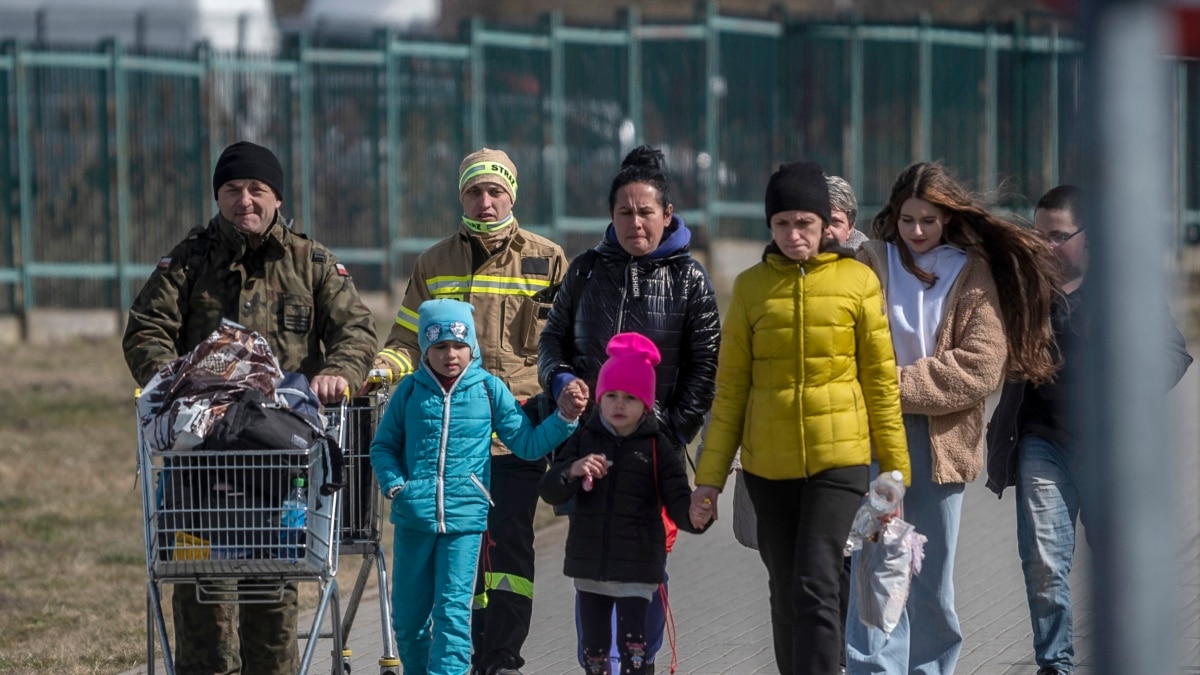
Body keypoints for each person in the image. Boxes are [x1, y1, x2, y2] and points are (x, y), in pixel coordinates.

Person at [122, 140, 378, 674]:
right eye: (233, 189)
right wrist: (176, 386)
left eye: (257, 190)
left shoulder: (311, 263)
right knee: (200, 596)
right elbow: (146, 329)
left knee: (272, 597)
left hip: (277, 460)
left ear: (277, 198)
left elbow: (355, 328)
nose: (245, 200)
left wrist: (340, 374)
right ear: (219, 195)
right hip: (202, 459)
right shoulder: (190, 259)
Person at [689, 160, 911, 675]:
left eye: (805, 223)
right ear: (770, 226)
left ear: (825, 225)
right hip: (769, 469)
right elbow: (731, 394)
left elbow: (880, 382)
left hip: (840, 462)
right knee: (786, 591)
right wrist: (709, 481)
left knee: (816, 582)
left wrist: (895, 473)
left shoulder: (858, 283)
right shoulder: (750, 288)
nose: (794, 234)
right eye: (783, 223)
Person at [845, 161, 1061, 675]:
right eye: (907, 219)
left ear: (947, 218)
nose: (916, 231)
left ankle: (931, 668)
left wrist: (893, 384)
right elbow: (849, 347)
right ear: (892, 216)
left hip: (943, 444)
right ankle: (874, 669)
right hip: (875, 435)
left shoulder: (971, 269)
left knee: (929, 577)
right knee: (876, 567)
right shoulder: (871, 260)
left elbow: (981, 367)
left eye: (928, 220)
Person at [370, 148, 568, 675]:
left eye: (495, 191)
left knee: (508, 554)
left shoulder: (548, 259)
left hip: (513, 432)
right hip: (447, 445)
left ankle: (501, 658)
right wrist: (385, 369)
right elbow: (406, 336)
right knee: (461, 565)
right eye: (474, 191)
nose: (485, 202)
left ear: (512, 195)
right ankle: (463, 656)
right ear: (461, 196)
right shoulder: (432, 263)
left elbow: (566, 346)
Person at [984, 185, 1191, 675]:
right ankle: (1055, 664)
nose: (1045, 247)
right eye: (1038, 237)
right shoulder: (1024, 289)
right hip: (1041, 442)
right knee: (1044, 564)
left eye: (1057, 237)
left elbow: (1174, 353)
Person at [539, 145, 722, 673]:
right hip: (590, 445)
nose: (636, 222)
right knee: (594, 570)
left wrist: (668, 430)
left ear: (667, 216)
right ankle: (599, 661)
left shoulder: (690, 279)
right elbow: (552, 341)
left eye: (646, 212)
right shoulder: (587, 270)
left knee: (644, 568)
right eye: (625, 212)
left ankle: (640, 661)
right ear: (611, 215)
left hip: (651, 455)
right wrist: (563, 381)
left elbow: (704, 366)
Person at [369, 298, 588, 675]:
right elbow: (384, 446)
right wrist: (395, 485)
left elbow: (528, 443)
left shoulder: (489, 390)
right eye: (439, 346)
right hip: (413, 520)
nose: (450, 355)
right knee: (408, 621)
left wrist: (565, 418)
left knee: (453, 615)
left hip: (465, 523)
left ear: (471, 345)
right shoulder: (408, 392)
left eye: (458, 345)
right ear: (426, 348)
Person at [540, 332, 711, 675]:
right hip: (590, 571)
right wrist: (572, 470)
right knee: (594, 654)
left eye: (630, 398)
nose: (619, 405)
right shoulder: (584, 437)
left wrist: (695, 515)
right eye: (612, 396)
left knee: (635, 652)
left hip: (637, 571)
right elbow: (551, 490)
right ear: (599, 399)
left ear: (646, 404)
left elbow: (677, 499)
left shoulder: (656, 446)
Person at [824, 174, 869, 250]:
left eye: (834, 221)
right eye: (818, 221)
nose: (825, 230)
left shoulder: (869, 260)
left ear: (850, 227)